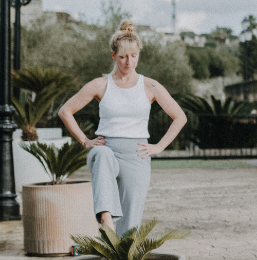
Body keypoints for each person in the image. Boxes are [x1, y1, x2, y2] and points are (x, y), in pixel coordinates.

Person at [58, 20, 187, 235]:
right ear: (113, 56)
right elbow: (65, 111)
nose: (129, 62)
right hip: (105, 148)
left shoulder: (149, 86)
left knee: (130, 224)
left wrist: (159, 146)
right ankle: (106, 219)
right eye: (123, 57)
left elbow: (179, 117)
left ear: (138, 55)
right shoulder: (101, 84)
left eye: (133, 56)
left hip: (137, 154)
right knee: (101, 154)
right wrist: (84, 140)